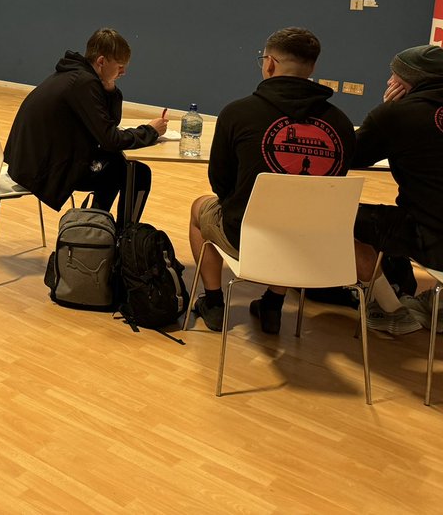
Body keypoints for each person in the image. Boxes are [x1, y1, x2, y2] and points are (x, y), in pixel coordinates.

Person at [188, 27, 355, 334]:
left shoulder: (238, 113)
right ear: (313, 68)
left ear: (270, 64)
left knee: (200, 208)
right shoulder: (341, 123)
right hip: (311, 241)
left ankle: (212, 301)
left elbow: (220, 183)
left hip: (248, 239)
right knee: (293, 217)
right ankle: (272, 305)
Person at [4, 28, 168, 224]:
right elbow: (110, 139)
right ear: (101, 61)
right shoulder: (83, 83)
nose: (123, 72)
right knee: (135, 173)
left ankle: (96, 229)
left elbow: (109, 125)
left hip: (30, 160)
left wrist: (110, 90)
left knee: (116, 164)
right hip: (42, 170)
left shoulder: (75, 73)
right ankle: (124, 237)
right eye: (120, 66)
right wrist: (150, 131)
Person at [352, 45, 443, 335]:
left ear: (410, 81)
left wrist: (387, 112)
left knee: (338, 218)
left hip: (430, 237)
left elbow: (353, 155)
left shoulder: (398, 115)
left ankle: (390, 310)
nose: (390, 80)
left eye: (395, 75)